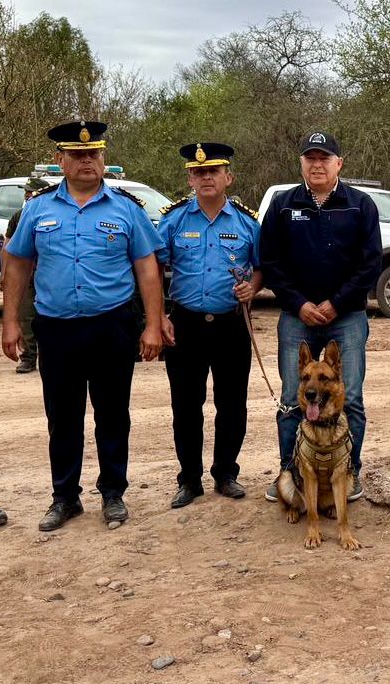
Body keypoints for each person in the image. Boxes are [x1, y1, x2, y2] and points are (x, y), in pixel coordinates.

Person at [1, 120, 164, 531]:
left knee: (113, 414)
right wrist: (10, 323)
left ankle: (113, 494)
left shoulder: (127, 209)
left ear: (103, 159)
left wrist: (153, 325)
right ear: (61, 162)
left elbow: (147, 269)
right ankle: (65, 497)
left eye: (93, 154)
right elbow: (17, 265)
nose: (87, 160)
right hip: (56, 329)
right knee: (62, 416)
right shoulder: (38, 209)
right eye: (77, 155)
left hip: (112, 326)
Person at [260, 131, 382, 503]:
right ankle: (291, 474)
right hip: (297, 317)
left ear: (338, 164)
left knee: (353, 398)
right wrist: (298, 303)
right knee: (292, 399)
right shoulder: (283, 205)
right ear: (301, 163)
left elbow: (371, 264)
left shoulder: (361, 205)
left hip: (346, 318)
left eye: (324, 158)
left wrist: (336, 303)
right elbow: (270, 262)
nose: (317, 164)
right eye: (310, 158)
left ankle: (349, 474)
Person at [156, 142, 263, 509]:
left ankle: (225, 473)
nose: (205, 177)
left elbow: (263, 265)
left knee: (232, 404)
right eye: (198, 172)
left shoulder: (248, 223)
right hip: (184, 324)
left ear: (227, 178)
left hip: (231, 325)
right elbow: (153, 267)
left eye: (213, 171)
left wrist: (255, 286)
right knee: (186, 405)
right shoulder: (173, 220)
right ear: (189, 178)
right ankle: (189, 480)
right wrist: (158, 316)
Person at [3, 177, 51, 373]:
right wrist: (5, 273)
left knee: (49, 320)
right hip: (27, 279)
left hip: (47, 278)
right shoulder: (19, 216)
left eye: (30, 192)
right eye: (26, 193)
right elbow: (8, 247)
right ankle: (28, 357)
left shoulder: (51, 213)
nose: (27, 196)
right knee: (26, 318)